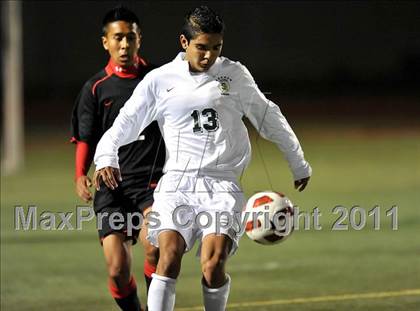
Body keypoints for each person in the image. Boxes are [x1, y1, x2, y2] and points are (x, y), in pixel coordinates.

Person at [93, 5, 312, 311]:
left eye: (216, 47)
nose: (209, 55)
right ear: (184, 43)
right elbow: (127, 121)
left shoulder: (234, 74)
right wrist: (106, 155)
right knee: (167, 254)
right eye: (201, 47)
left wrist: (297, 161)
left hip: (222, 184)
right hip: (176, 184)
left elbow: (268, 117)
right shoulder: (161, 79)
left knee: (213, 264)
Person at [70, 6, 165, 311]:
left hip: (152, 180)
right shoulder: (95, 89)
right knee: (117, 269)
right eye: (118, 38)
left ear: (140, 39)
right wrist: (80, 175)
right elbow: (86, 137)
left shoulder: (158, 80)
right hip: (111, 186)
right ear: (106, 42)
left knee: (155, 246)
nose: (124, 45)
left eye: (130, 37)